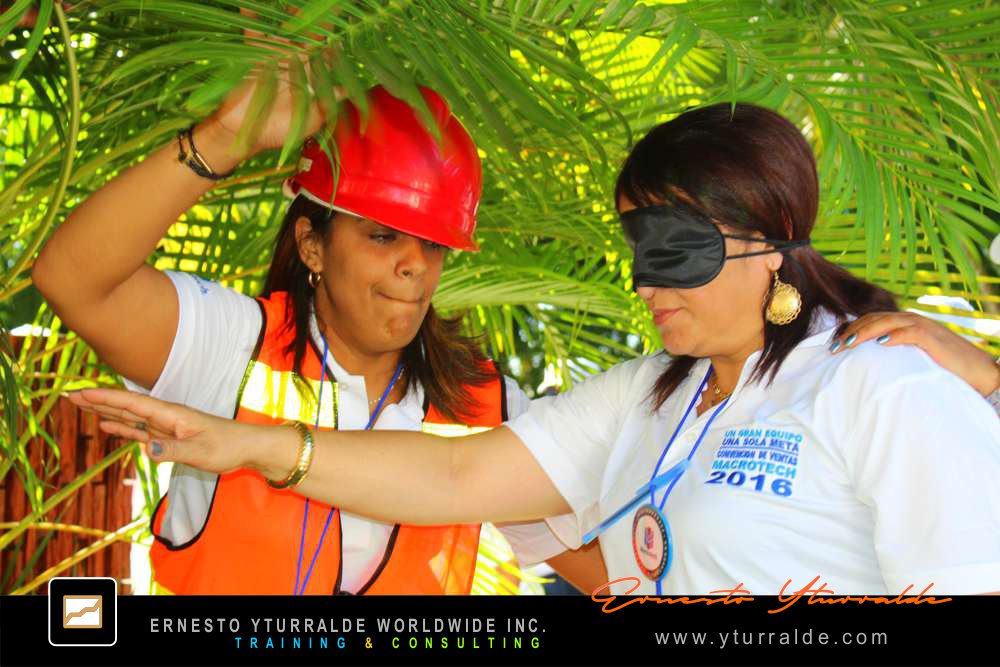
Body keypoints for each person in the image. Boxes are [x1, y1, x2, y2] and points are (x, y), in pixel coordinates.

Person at [69, 103, 1000, 595]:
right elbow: (458, 477)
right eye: (637, 248)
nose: (644, 284)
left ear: (770, 243)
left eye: (672, 250)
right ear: (312, 242)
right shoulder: (649, 395)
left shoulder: (878, 386)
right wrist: (242, 441)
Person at [32, 77, 596, 594]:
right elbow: (73, 280)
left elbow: (610, 573)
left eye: (433, 244)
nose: (415, 265)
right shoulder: (231, 348)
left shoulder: (484, 406)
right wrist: (224, 138)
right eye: (383, 236)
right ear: (312, 245)